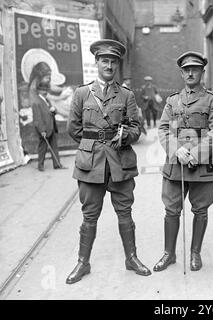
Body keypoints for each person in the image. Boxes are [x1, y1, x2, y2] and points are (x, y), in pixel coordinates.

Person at [66, 39, 151, 284]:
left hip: (119, 162)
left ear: (117, 65)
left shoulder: (126, 95)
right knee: (89, 215)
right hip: (91, 164)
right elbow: (74, 129)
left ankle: (131, 258)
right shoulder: (82, 93)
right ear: (97, 63)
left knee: (125, 212)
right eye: (105, 60)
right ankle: (83, 262)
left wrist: (126, 136)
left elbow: (137, 128)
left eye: (114, 61)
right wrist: (93, 145)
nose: (109, 65)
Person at [154, 51, 213, 272]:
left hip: (203, 165)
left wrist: (194, 154)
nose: (191, 73)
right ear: (182, 73)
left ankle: (195, 253)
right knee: (171, 209)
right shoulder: (172, 100)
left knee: (200, 210)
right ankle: (169, 254)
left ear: (202, 72)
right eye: (186, 69)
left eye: (195, 69)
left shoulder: (212, 100)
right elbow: (164, 129)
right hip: (176, 164)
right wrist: (177, 150)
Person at [30, 62, 65, 171]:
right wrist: (42, 130)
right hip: (44, 130)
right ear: (40, 90)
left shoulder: (47, 100)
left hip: (52, 128)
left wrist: (53, 111)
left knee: (54, 148)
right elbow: (37, 119)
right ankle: (40, 165)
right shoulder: (36, 102)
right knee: (42, 149)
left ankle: (57, 165)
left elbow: (50, 113)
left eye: (46, 90)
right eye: (43, 91)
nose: (45, 92)